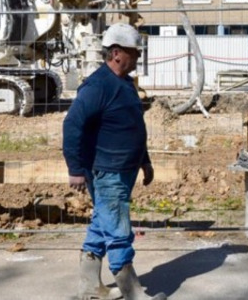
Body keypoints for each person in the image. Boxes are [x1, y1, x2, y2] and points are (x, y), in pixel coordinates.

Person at [62, 23, 166, 300]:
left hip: (124, 168)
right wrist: (75, 168)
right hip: (107, 171)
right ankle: (133, 293)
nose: (139, 57)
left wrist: (145, 160)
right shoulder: (97, 86)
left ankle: (90, 288)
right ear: (117, 53)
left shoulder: (125, 84)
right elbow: (73, 125)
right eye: (135, 52)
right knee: (119, 231)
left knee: (101, 225)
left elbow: (135, 126)